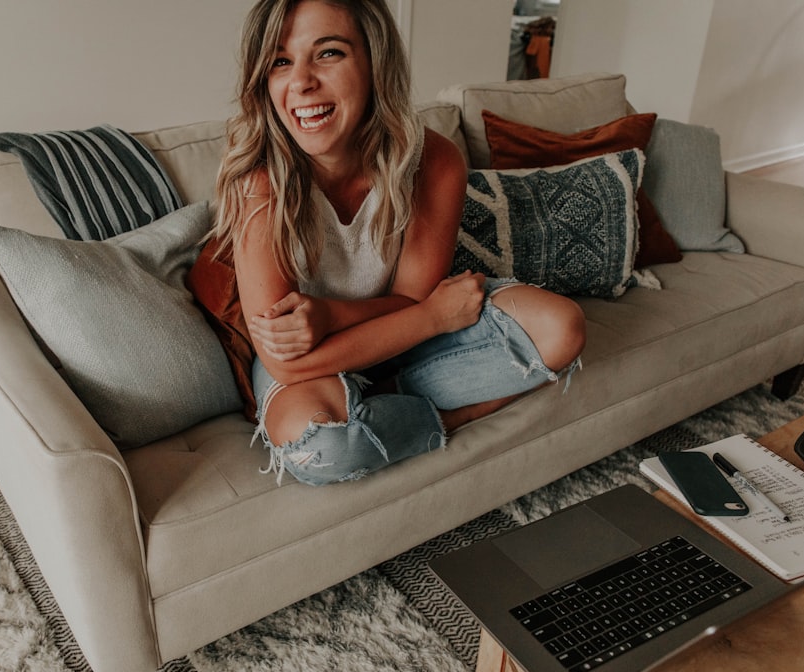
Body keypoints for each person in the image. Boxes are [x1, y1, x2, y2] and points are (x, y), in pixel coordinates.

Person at [210, 0, 586, 486]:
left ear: (374, 61)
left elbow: (411, 297)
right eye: (280, 61)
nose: (300, 82)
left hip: (406, 339)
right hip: (317, 364)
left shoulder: (432, 160)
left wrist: (343, 314)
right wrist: (430, 317)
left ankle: (387, 397)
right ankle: (448, 417)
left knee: (563, 327)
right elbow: (287, 357)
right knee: (319, 447)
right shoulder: (257, 181)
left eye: (327, 53)